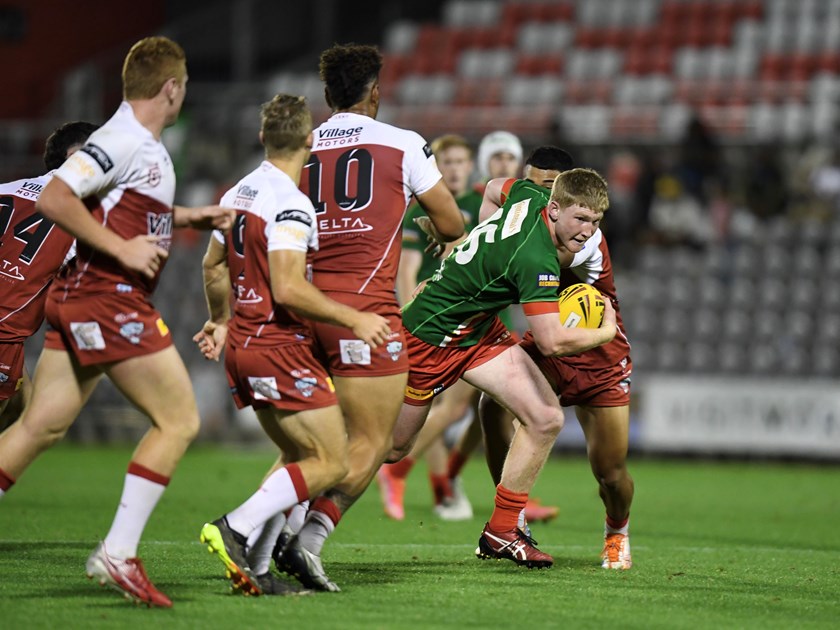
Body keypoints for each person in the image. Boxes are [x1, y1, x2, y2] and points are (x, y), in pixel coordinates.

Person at [0, 36, 235, 608]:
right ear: (171, 87)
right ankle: (119, 553)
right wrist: (122, 251)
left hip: (83, 299)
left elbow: (119, 204)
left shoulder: (132, 141)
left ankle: (119, 552)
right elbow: (56, 197)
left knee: (40, 428)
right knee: (179, 420)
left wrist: (191, 215)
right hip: (109, 298)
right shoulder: (124, 138)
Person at [246, 43, 464, 592]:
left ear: (326, 95)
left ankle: (261, 549)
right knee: (376, 443)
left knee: (308, 446)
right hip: (365, 310)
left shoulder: (300, 147)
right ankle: (305, 541)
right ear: (375, 91)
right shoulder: (402, 144)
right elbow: (452, 220)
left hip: (300, 306)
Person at [193, 93, 392, 596]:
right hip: (277, 345)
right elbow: (288, 287)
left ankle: (256, 569)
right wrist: (355, 317)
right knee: (333, 462)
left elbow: (211, 266)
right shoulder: (291, 202)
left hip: (243, 344)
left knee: (296, 457)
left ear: (262, 138)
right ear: (309, 139)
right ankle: (234, 526)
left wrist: (219, 320)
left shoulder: (237, 192)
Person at [388, 168, 616, 568]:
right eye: (580, 219)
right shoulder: (537, 259)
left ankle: (502, 531)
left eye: (595, 222)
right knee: (392, 447)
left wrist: (476, 242)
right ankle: (300, 497)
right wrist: (605, 332)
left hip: (477, 330)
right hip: (432, 334)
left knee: (544, 417)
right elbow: (551, 341)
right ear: (555, 207)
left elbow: (494, 189)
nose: (586, 232)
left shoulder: (527, 193)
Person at [378, 146, 574, 523]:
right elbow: (412, 265)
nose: (537, 193)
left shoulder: (550, 215)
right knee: (452, 412)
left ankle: (500, 511)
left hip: (486, 323)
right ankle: (400, 470)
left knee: (513, 413)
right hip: (441, 325)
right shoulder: (517, 202)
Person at [478, 188, 636, 572]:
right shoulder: (537, 216)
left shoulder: (582, 242)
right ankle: (510, 516)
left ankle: (617, 531)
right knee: (492, 408)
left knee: (610, 474)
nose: (588, 228)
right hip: (549, 345)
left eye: (593, 221)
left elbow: (526, 258)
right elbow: (493, 187)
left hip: (600, 359)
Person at [0, 121, 99, 427]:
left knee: (25, 413)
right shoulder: (77, 216)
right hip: (4, 332)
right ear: (77, 156)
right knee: (33, 425)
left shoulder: (5, 190)